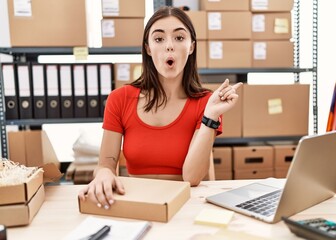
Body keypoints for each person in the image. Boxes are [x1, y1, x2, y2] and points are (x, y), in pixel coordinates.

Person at [78, 6, 241, 209]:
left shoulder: (207, 103)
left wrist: (211, 115)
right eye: (159, 39)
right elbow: (105, 164)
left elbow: (191, 177)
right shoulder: (119, 99)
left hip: (187, 205)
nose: (169, 46)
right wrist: (103, 174)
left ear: (191, 47)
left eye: (179, 38)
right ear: (147, 47)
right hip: (137, 202)